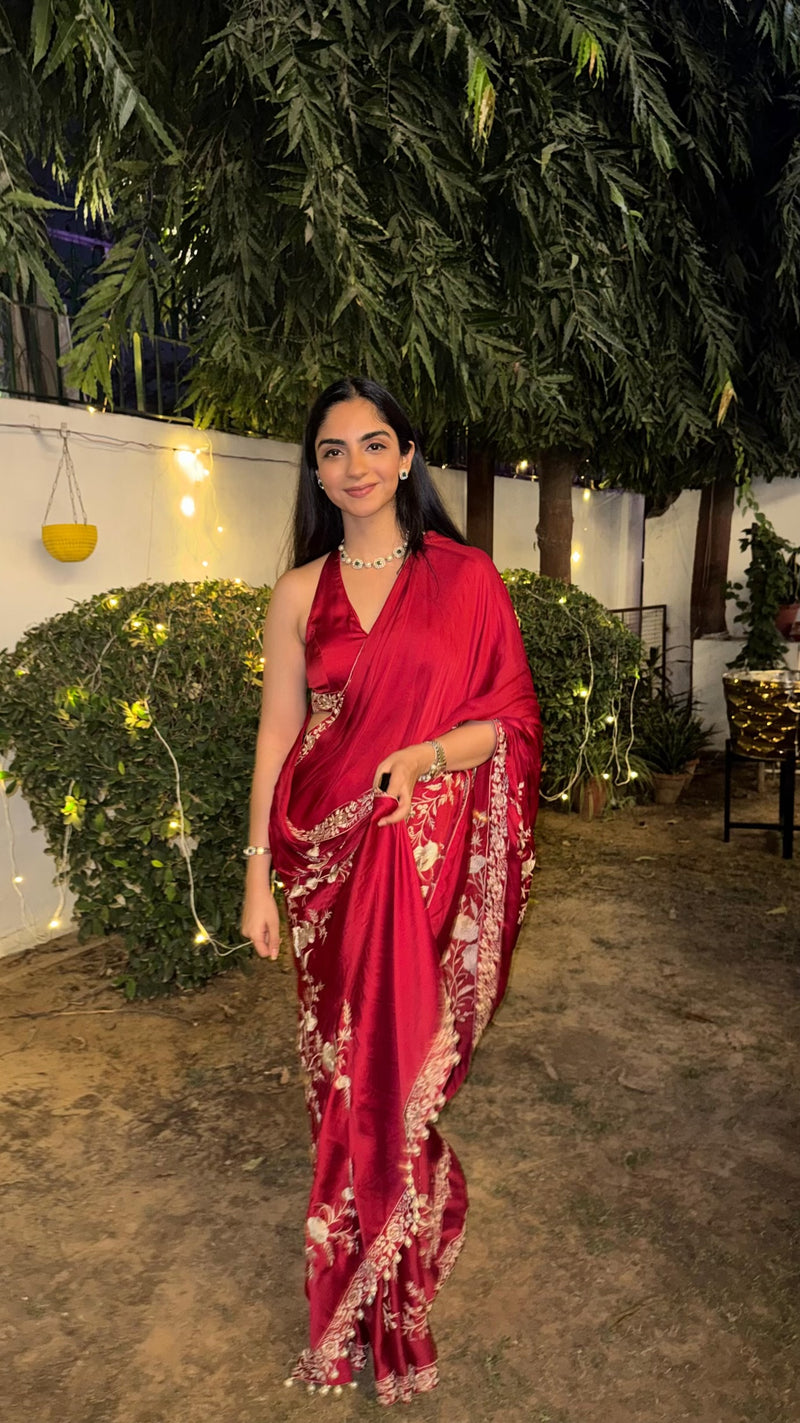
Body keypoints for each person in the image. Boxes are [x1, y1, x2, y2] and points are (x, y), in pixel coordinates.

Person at [241, 377, 542, 1405]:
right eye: (333, 450)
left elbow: (503, 720)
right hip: (319, 863)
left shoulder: (463, 580)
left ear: (408, 457)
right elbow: (278, 736)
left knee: (390, 1075)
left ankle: (382, 1294)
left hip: (414, 862)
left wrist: (421, 753)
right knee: (346, 1084)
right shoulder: (296, 591)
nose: (355, 464)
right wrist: (254, 876)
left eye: (374, 444)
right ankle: (366, 1275)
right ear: (315, 471)